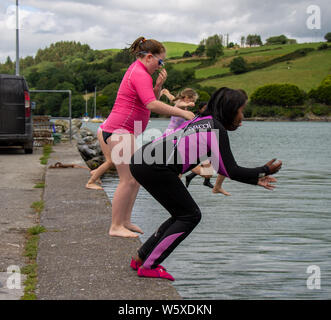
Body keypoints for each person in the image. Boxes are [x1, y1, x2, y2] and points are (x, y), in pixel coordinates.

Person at [129, 87, 282, 280]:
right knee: (190, 215)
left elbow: (223, 168)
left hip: (142, 159)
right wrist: (265, 170)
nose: (242, 116)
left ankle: (141, 258)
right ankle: (150, 265)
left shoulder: (203, 122)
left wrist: (255, 178)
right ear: (230, 109)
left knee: (181, 214)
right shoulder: (215, 128)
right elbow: (230, 170)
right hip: (154, 166)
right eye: (241, 110)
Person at [102, 36, 195, 238]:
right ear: (150, 57)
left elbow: (148, 98)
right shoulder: (140, 73)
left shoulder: (139, 71)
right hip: (119, 130)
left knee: (135, 178)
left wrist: (159, 85)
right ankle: (116, 225)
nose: (161, 66)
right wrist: (183, 113)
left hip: (124, 131)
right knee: (127, 180)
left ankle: (125, 220)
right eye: (160, 62)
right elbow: (151, 104)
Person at [85, 125, 114, 190]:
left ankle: (96, 172)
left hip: (112, 132)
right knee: (110, 161)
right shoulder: (138, 119)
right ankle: (90, 183)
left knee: (117, 162)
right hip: (106, 131)